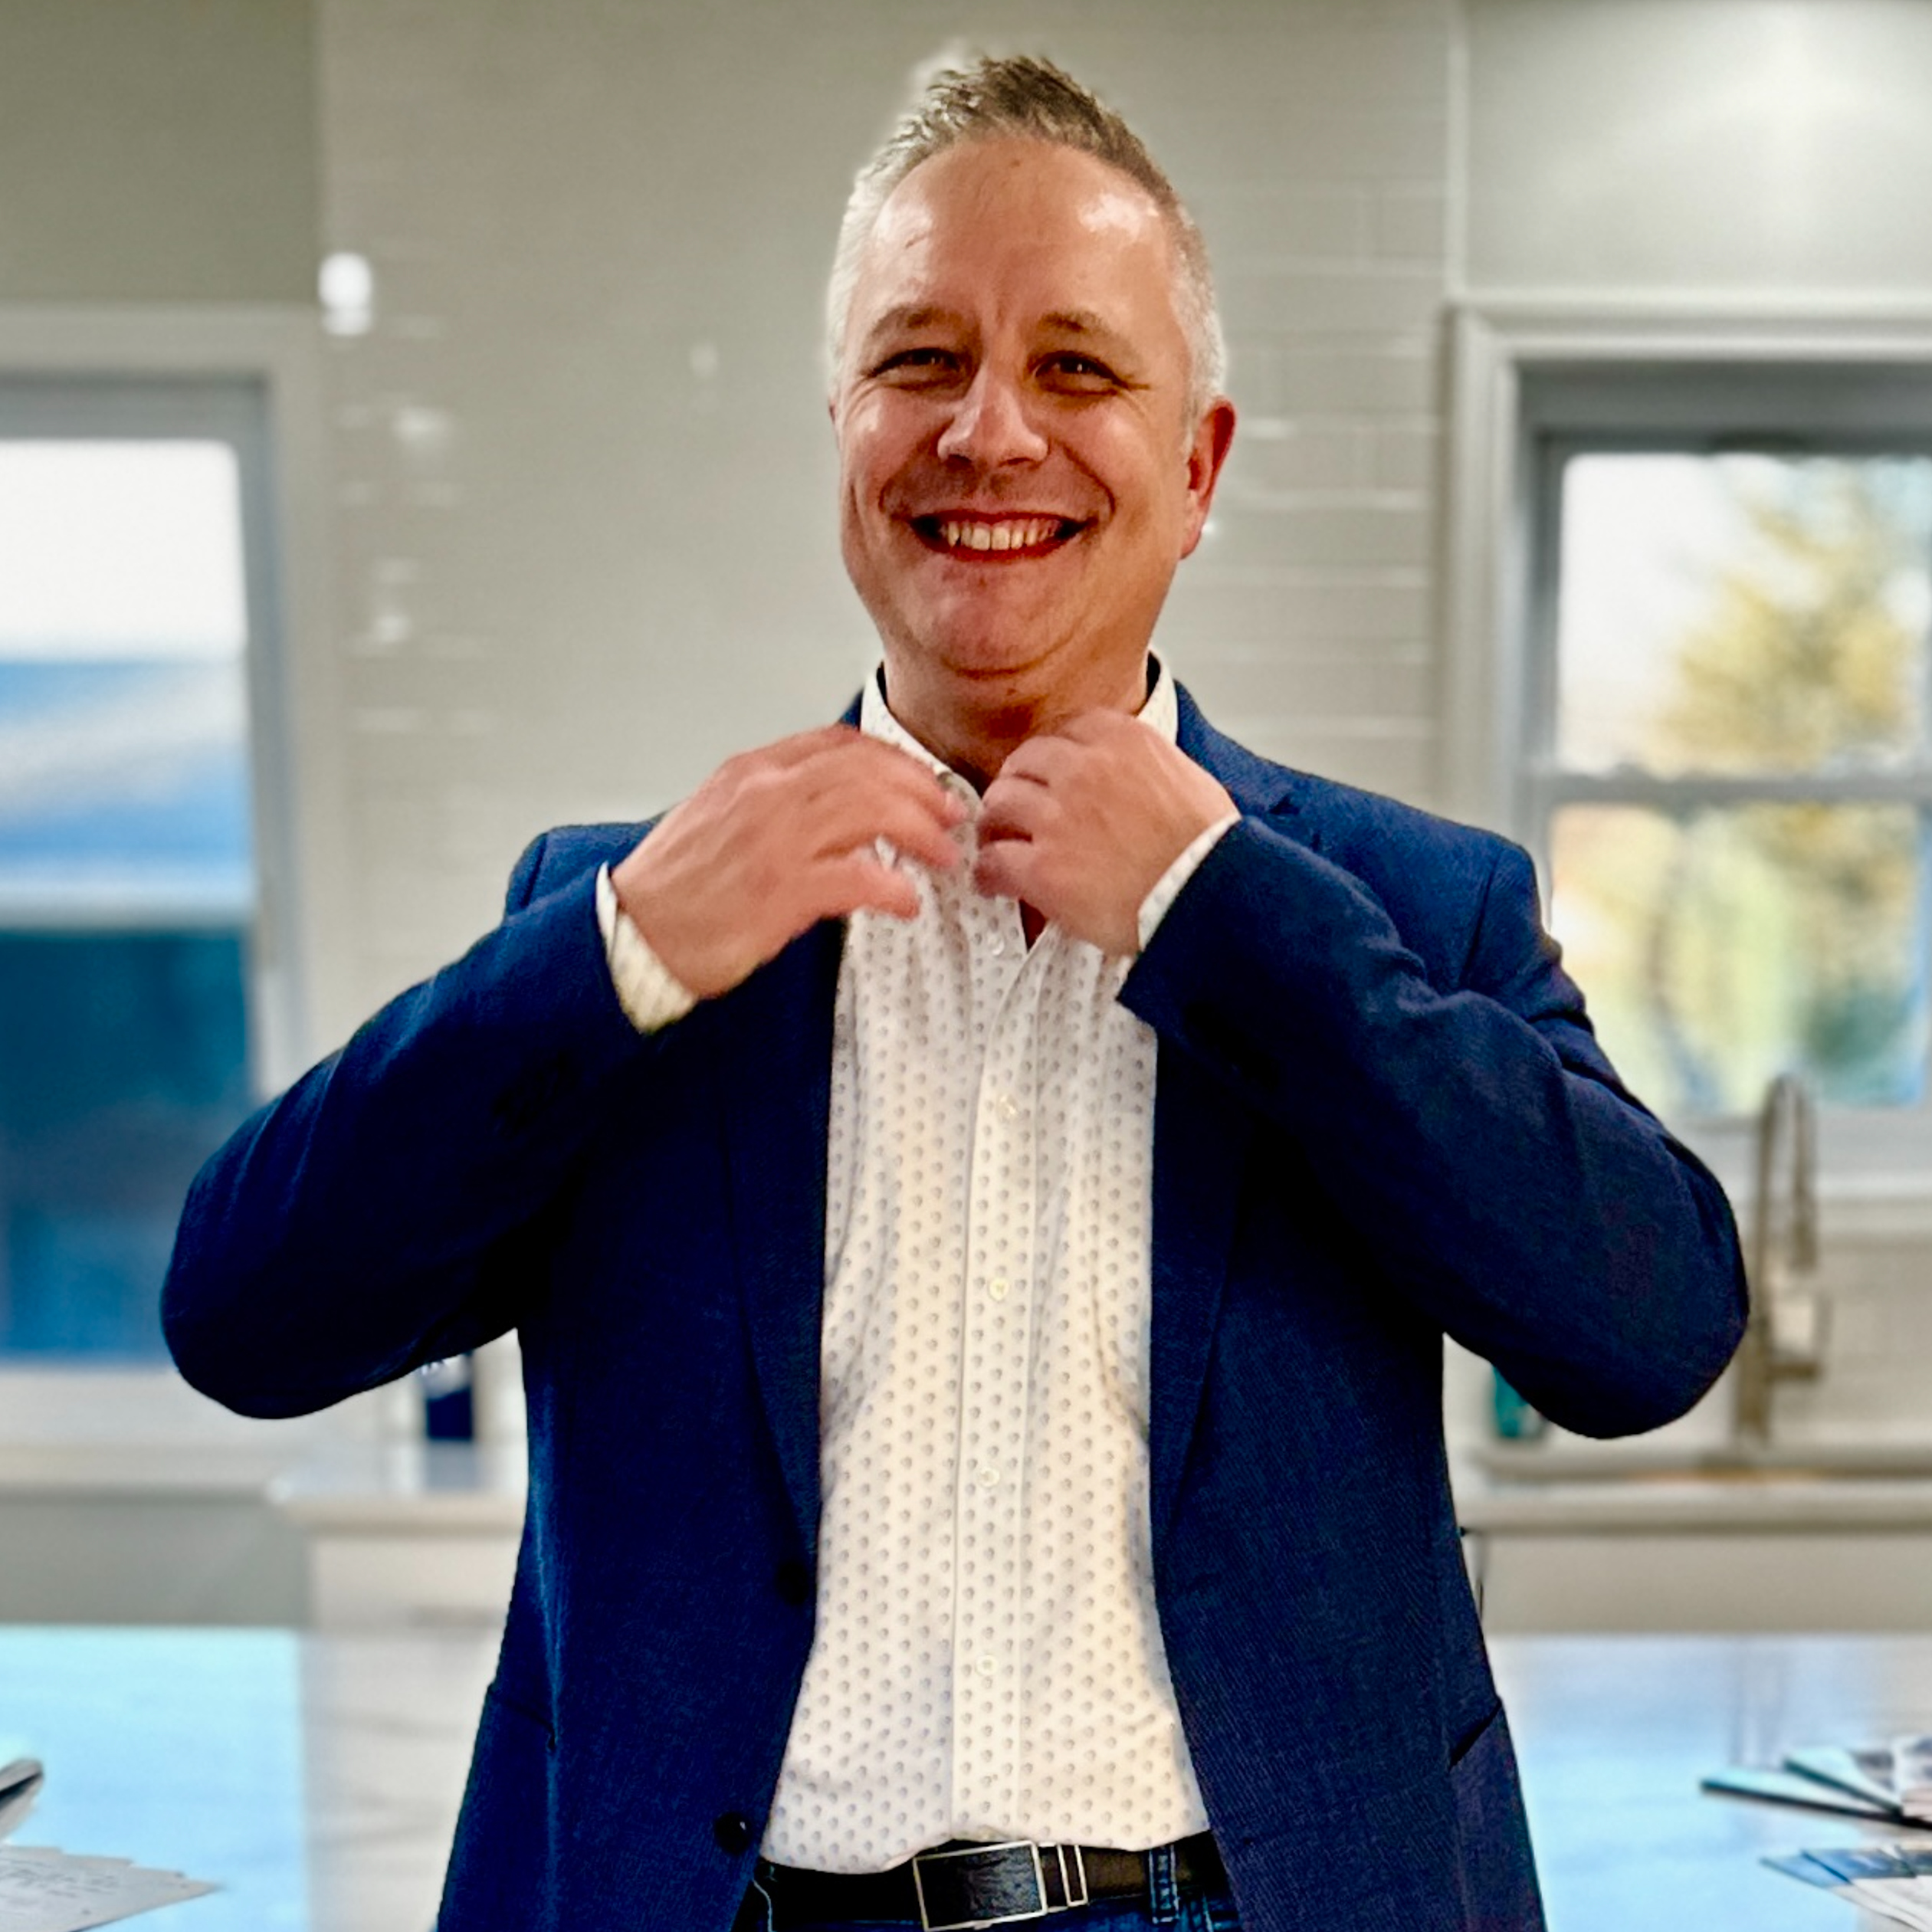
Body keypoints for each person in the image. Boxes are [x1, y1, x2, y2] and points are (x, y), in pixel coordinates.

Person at [163, 54, 1746, 1932]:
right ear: (842, 430)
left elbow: (1649, 1331)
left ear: (1197, 466)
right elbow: (243, 1321)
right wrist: (615, 951)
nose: (990, 434)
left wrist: (1226, 913)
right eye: (920, 361)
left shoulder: (1403, 904)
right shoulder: (634, 918)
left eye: (1077, 367)